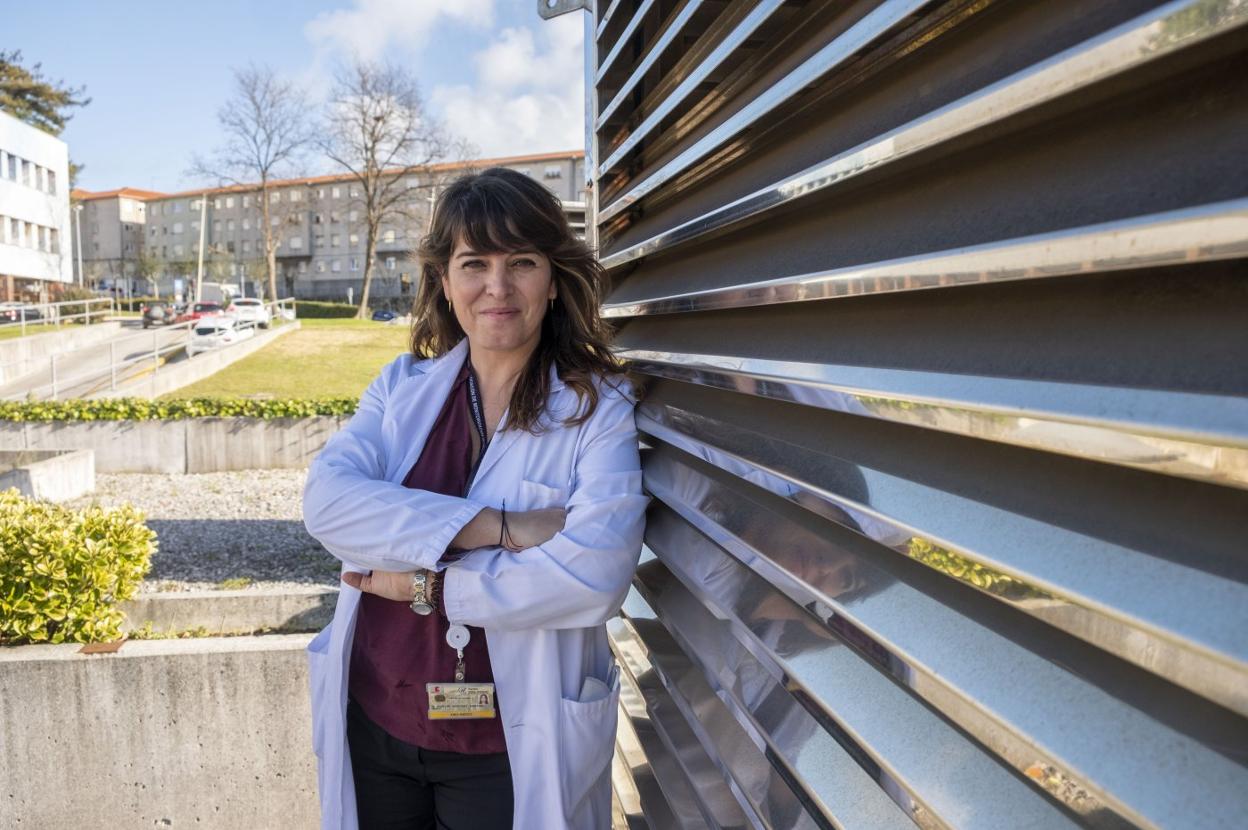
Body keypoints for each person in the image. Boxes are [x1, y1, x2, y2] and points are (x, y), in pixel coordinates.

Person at [302, 167, 648, 830]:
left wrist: (423, 588)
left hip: (508, 746)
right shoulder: (402, 388)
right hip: (378, 720)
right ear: (443, 279)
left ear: (554, 279)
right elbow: (328, 506)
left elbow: (594, 577)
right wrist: (501, 528)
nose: (497, 286)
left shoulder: (595, 409)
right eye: (474, 263)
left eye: (521, 261)